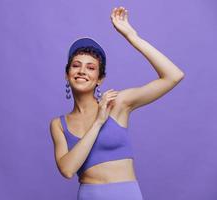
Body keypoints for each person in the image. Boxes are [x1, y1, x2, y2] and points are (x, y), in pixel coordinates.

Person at [49, 6, 185, 200]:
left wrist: (132, 36)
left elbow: (173, 76)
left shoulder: (118, 104)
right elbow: (68, 170)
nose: (82, 71)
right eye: (76, 65)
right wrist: (98, 122)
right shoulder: (58, 125)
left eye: (91, 68)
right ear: (67, 73)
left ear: (99, 79)